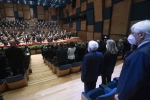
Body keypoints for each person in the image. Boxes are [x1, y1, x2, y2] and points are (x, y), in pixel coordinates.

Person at [115, 20, 150, 100]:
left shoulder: (142, 54)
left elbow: (134, 81)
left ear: (141, 35)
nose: (130, 36)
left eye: (133, 33)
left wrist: (121, 97)